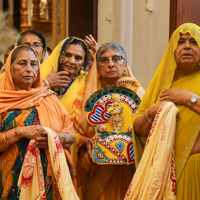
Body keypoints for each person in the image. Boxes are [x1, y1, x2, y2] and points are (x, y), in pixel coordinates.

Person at [127, 23, 200, 199]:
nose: (187, 46)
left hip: (195, 165)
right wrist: (152, 111)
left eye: (194, 42)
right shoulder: (160, 84)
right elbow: (138, 128)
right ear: (172, 50)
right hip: (162, 171)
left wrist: (188, 98)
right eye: (181, 42)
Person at [0, 45, 79, 199]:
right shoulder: (2, 100)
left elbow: (71, 135)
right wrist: (20, 132)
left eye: (34, 64)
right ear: (10, 68)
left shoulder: (49, 98)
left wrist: (53, 137)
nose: (29, 69)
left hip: (48, 180)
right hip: (9, 180)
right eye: (22, 64)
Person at [70, 42, 145, 200]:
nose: (110, 64)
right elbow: (71, 130)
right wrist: (84, 140)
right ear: (97, 66)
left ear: (125, 64)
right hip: (94, 170)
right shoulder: (83, 96)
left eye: (116, 59)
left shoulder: (138, 94)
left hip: (131, 167)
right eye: (104, 60)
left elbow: (151, 128)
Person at [41, 36, 91, 113]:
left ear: (84, 62)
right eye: (67, 55)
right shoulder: (41, 74)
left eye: (78, 58)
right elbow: (26, 100)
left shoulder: (87, 81)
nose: (72, 61)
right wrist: (45, 84)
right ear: (59, 54)